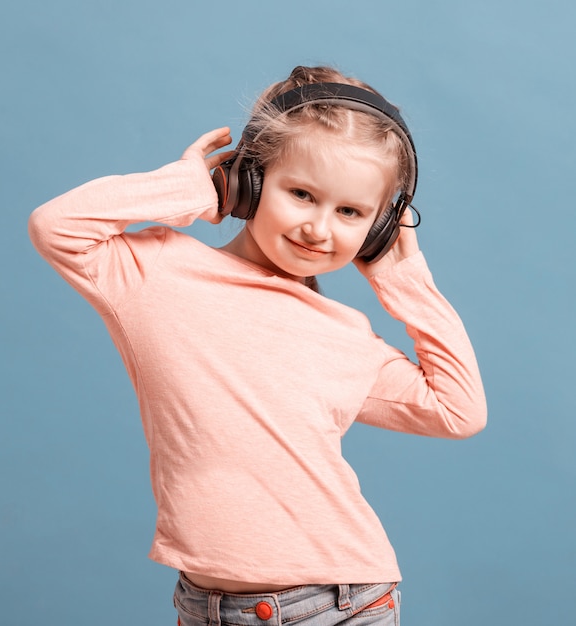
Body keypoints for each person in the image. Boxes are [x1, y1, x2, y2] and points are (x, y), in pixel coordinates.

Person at [28, 65, 486, 625]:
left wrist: (404, 277)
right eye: (301, 194)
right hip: (206, 604)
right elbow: (56, 226)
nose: (319, 229)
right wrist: (191, 188)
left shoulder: (343, 334)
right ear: (251, 179)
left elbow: (458, 410)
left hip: (339, 603)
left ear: (379, 228)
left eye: (350, 212)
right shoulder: (156, 272)